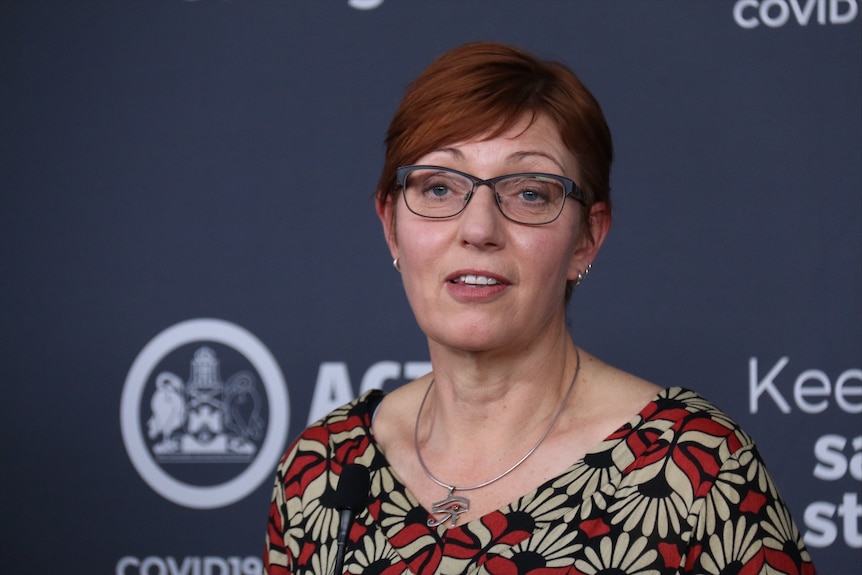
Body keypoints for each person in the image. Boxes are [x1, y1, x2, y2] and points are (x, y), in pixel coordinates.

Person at [264, 41, 816, 575]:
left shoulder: (693, 466)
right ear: (391, 227)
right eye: (438, 188)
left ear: (586, 239)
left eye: (529, 192)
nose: (478, 229)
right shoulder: (327, 465)